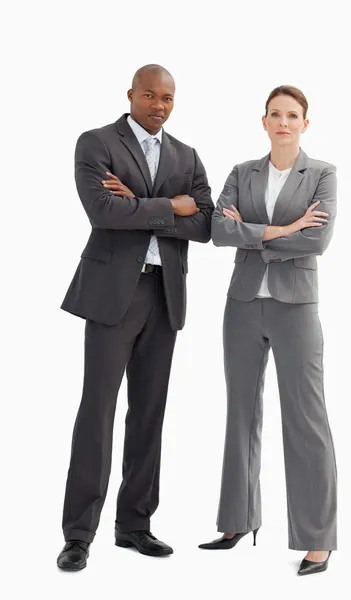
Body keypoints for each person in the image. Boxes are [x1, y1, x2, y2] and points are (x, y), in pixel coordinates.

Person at [57, 64, 214, 570]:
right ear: (131, 95)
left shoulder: (186, 155)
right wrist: (172, 206)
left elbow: (207, 222)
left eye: (168, 98)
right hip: (110, 296)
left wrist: (143, 205)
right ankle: (79, 534)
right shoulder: (97, 143)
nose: (159, 105)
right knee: (97, 412)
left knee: (149, 414)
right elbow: (103, 212)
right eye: (150, 95)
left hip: (164, 295)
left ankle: (135, 525)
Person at [199, 86, 337, 576]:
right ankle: (236, 521)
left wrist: (253, 232)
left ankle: (316, 539)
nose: (284, 122)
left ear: (305, 123)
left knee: (306, 420)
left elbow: (317, 238)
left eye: (292, 115)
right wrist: (280, 230)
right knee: (240, 412)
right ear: (264, 121)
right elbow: (218, 229)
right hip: (241, 304)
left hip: (295, 306)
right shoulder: (242, 172)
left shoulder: (322, 174)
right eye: (275, 114)